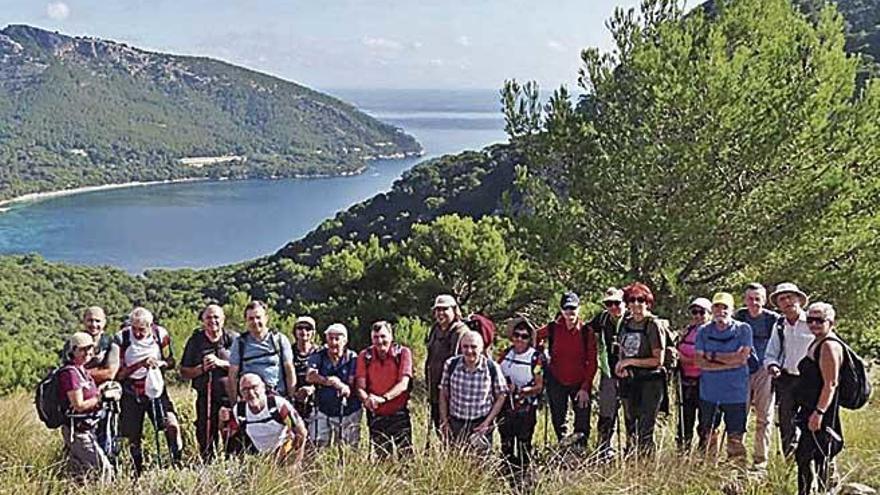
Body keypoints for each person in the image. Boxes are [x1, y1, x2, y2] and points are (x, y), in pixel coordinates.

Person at [114, 307, 181, 475]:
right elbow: (119, 374)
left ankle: (176, 461)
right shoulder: (122, 338)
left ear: (150, 326)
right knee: (133, 435)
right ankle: (137, 470)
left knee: (171, 424)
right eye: (134, 328)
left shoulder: (161, 335)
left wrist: (160, 364)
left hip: (156, 388)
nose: (137, 333)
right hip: (131, 391)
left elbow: (171, 361)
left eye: (141, 329)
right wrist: (139, 364)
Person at [695, 292, 753, 464]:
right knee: (708, 433)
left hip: (736, 394)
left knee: (735, 437)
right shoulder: (703, 331)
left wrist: (710, 356)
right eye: (717, 307)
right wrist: (729, 360)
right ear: (712, 310)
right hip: (709, 393)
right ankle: (708, 470)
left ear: (732, 309)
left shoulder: (743, 329)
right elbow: (699, 361)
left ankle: (736, 473)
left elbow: (742, 359)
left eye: (725, 307)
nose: (721, 311)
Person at [793, 302, 844, 495]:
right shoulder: (818, 341)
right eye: (810, 320)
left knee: (817, 457)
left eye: (819, 320)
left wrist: (819, 413)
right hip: (811, 409)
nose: (813, 324)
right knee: (806, 457)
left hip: (821, 412)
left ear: (831, 322)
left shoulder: (829, 346)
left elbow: (830, 383)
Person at [535, 291, 597, 447]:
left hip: (580, 382)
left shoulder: (586, 332)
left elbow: (592, 362)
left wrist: (585, 387)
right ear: (561, 310)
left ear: (579, 309)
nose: (570, 312)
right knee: (558, 418)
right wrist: (540, 353)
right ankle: (563, 447)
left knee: (582, 421)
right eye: (566, 308)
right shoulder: (553, 328)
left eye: (573, 308)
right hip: (557, 380)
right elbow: (534, 337)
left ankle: (580, 450)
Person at [179, 304, 237, 461]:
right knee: (205, 433)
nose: (213, 321)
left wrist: (221, 363)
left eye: (216, 317)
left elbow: (243, 366)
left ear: (223, 319)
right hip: (205, 396)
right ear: (203, 320)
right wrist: (201, 369)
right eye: (208, 317)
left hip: (230, 396)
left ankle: (231, 464)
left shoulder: (233, 339)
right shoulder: (195, 341)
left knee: (232, 433)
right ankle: (208, 465)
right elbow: (184, 371)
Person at [733, 283, 781, 469]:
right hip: (741, 371)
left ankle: (760, 460)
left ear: (764, 300)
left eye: (758, 298)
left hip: (764, 371)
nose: (754, 302)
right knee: (738, 416)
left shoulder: (773, 320)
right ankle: (737, 459)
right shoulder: (739, 317)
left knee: (764, 417)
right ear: (745, 300)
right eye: (750, 298)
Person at [615, 282, 666, 455]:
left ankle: (646, 464)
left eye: (640, 300)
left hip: (651, 382)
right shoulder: (626, 323)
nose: (636, 304)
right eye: (632, 300)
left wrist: (630, 362)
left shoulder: (653, 325)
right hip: (630, 381)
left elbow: (657, 360)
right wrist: (622, 365)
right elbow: (622, 350)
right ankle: (631, 462)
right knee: (631, 425)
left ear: (647, 302)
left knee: (645, 428)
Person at [764, 282, 814, 456]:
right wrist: (772, 365)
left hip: (811, 382)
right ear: (778, 305)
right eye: (782, 299)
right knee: (786, 425)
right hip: (787, 381)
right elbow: (771, 352)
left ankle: (820, 465)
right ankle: (789, 465)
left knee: (813, 424)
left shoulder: (813, 322)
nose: (787, 301)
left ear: (799, 299)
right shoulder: (779, 325)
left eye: (790, 297)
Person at [58, 332, 115, 482]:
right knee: (104, 470)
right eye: (82, 349)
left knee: (80, 474)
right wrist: (101, 398)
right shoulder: (70, 373)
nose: (87, 353)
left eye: (90, 348)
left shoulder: (82, 370)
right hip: (77, 431)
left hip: (88, 429)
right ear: (73, 351)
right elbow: (79, 405)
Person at [439, 331, 508, 454]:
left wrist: (487, 422)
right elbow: (443, 393)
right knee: (455, 462)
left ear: (481, 348)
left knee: (480, 465)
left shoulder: (492, 368)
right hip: (456, 423)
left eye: (473, 347)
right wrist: (444, 421)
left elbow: (501, 395)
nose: (469, 351)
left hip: (480, 425)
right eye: (465, 346)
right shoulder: (451, 364)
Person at [356, 321, 414, 459]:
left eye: (383, 336)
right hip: (376, 414)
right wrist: (366, 399)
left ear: (391, 336)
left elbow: (403, 384)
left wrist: (383, 398)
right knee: (382, 457)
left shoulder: (403, 353)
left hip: (398, 412)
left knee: (405, 456)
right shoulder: (365, 356)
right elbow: (360, 386)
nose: (380, 341)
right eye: (376, 337)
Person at [221, 373, 307, 465]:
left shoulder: (278, 405)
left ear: (263, 387)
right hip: (258, 457)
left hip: (283, 452)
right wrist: (222, 421)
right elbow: (229, 436)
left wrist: (294, 462)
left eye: (254, 387)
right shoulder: (239, 410)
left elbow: (300, 433)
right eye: (245, 390)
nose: (250, 393)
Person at [497, 318, 545, 469]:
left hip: (526, 409)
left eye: (524, 336)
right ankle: (507, 473)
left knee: (524, 444)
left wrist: (522, 391)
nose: (519, 339)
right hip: (505, 407)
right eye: (516, 335)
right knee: (506, 443)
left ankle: (524, 477)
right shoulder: (505, 354)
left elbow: (539, 386)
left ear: (530, 339)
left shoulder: (536, 358)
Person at [306, 323, 362, 448]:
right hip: (322, 409)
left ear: (345, 341)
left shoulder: (353, 358)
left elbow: (351, 383)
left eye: (337, 339)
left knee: (348, 449)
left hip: (349, 411)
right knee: (316, 446)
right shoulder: (319, 355)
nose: (333, 342)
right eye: (330, 338)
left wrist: (342, 386)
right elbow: (310, 375)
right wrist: (328, 381)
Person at [227, 300, 296, 401]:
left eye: (258, 317)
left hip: (277, 397)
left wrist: (291, 398)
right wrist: (234, 405)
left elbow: (289, 370)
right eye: (251, 318)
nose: (255, 322)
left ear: (266, 318)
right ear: (246, 321)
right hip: (250, 400)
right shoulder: (239, 343)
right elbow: (232, 375)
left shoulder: (280, 339)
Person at [589, 287, 626, 459]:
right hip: (608, 372)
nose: (613, 307)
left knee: (631, 413)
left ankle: (632, 449)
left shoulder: (632, 319)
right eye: (608, 304)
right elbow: (584, 330)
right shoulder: (602, 319)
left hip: (630, 374)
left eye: (616, 303)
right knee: (606, 412)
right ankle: (604, 447)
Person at [425, 294, 469, 433]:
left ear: (454, 310)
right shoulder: (435, 330)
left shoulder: (460, 331)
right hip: (434, 389)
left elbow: (457, 362)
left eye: (445, 309)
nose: (440, 313)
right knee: (439, 427)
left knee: (452, 429)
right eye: (438, 310)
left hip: (452, 392)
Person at [676, 297, 711, 452]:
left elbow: (706, 359)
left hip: (705, 383)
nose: (697, 316)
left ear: (709, 313)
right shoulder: (687, 331)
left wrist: (682, 358)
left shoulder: (712, 333)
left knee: (705, 423)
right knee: (684, 422)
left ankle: (703, 457)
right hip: (685, 382)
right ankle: (682, 454)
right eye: (694, 312)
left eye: (701, 312)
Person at [291, 316, 320, 439]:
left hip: (315, 402)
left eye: (308, 328)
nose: (304, 331)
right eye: (300, 328)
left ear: (313, 332)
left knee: (313, 440)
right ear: (295, 331)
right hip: (292, 402)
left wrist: (312, 388)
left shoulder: (320, 352)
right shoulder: (288, 351)